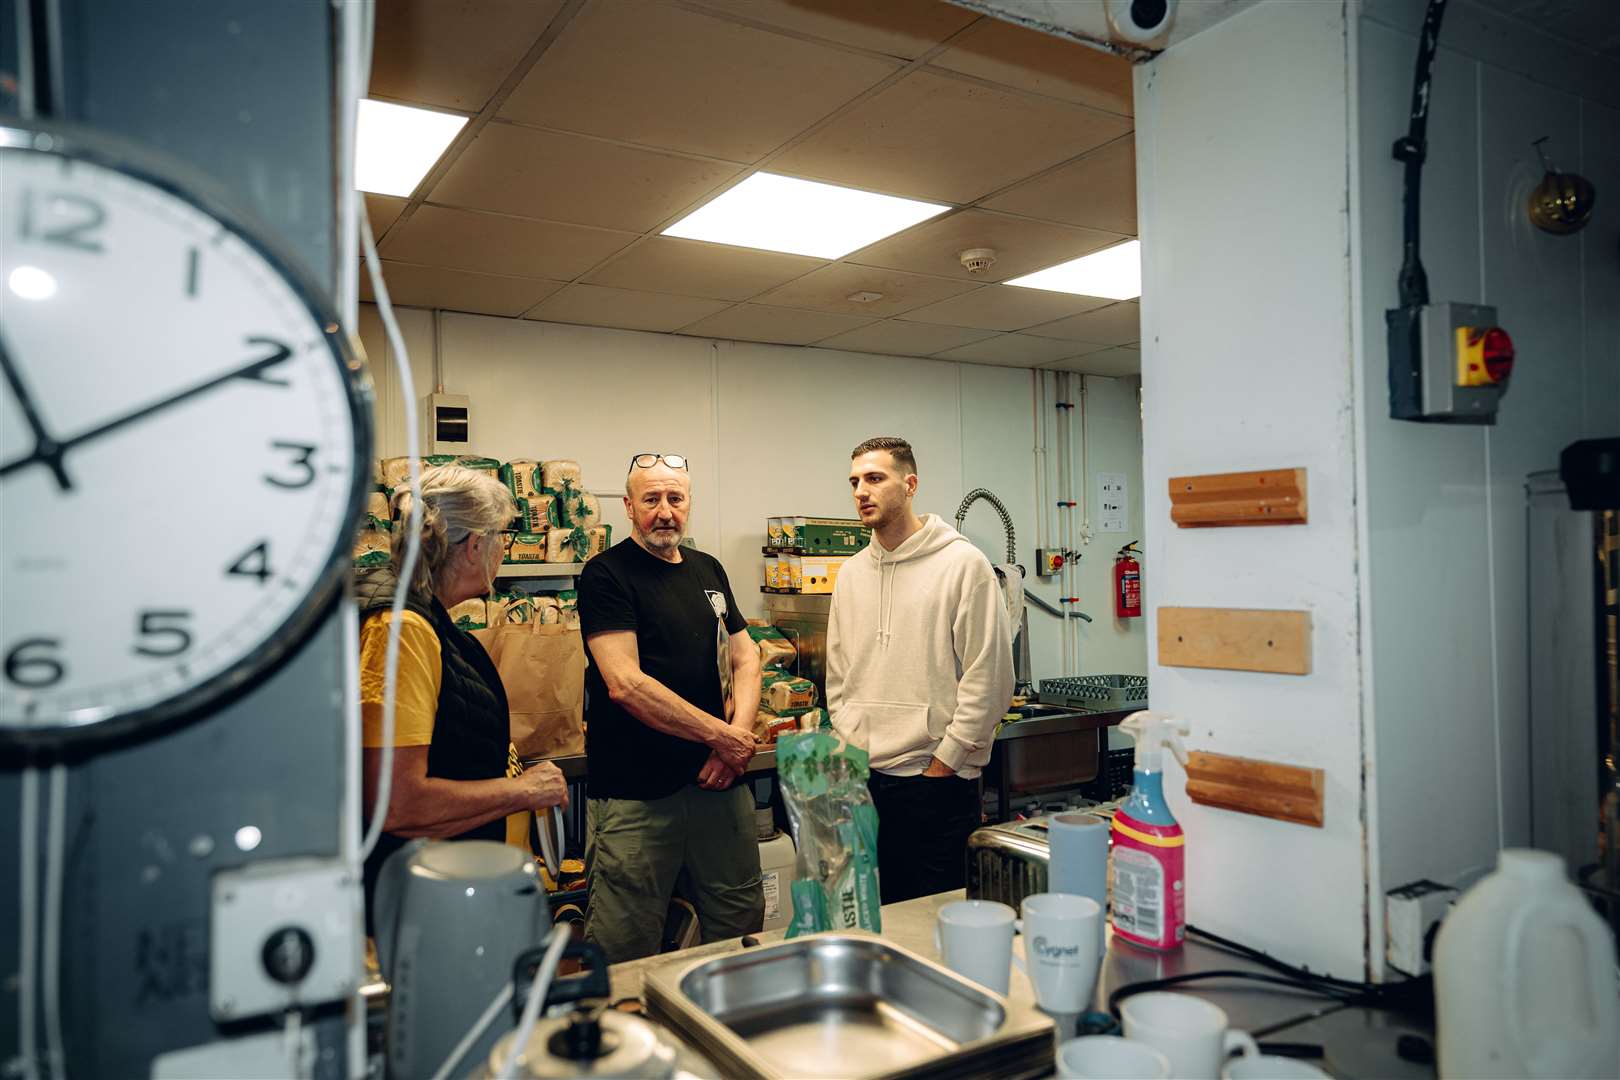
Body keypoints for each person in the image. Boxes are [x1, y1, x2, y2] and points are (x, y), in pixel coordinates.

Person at [354, 464, 568, 929]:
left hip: (446, 888)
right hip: (421, 904)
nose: (503, 552)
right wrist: (521, 790)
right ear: (474, 546)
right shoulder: (402, 629)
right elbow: (398, 803)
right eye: (502, 540)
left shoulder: (427, 619)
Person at [578, 452, 764, 963]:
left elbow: (748, 657)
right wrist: (722, 738)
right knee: (626, 938)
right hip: (638, 794)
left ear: (689, 504)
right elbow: (626, 684)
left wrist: (736, 743)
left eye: (675, 499)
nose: (665, 511)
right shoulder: (606, 574)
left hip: (720, 785)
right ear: (629, 506)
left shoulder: (708, 570)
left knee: (740, 922)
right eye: (651, 499)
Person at [826, 437, 1014, 904]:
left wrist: (943, 764)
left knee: (932, 920)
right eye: (854, 482)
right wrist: (849, 743)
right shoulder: (850, 573)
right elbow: (837, 675)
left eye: (875, 478)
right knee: (872, 919)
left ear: (910, 484)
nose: (861, 492)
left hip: (935, 782)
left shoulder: (962, 564)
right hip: (864, 782)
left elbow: (989, 678)